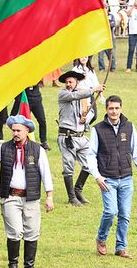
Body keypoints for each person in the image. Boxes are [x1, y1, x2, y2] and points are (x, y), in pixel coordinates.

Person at [87, 95, 137, 259]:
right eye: (111, 108)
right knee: (110, 211)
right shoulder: (97, 129)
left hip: (126, 178)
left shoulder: (129, 127)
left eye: (117, 108)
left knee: (125, 215)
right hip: (107, 179)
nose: (114, 111)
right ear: (106, 110)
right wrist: (97, 176)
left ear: (121, 108)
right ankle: (102, 239)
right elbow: (91, 155)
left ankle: (121, 247)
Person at [0, 115, 54, 268]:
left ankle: (29, 265)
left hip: (31, 198)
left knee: (32, 232)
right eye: (13, 130)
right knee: (15, 232)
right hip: (10, 197)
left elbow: (46, 173)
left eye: (18, 130)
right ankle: (12, 265)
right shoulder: (3, 148)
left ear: (27, 130)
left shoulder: (37, 149)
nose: (15, 133)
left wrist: (49, 197)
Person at [57, 70, 105, 207]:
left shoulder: (84, 96)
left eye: (70, 82)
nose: (68, 84)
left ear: (76, 82)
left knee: (89, 164)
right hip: (67, 137)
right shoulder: (64, 94)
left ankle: (78, 190)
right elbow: (76, 95)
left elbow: (92, 112)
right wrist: (93, 89)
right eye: (66, 82)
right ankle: (71, 197)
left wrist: (86, 119)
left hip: (81, 137)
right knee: (69, 167)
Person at [10, 84, 49, 151]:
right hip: (25, 99)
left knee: (42, 120)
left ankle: (44, 141)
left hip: (36, 99)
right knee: (20, 122)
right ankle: (19, 141)